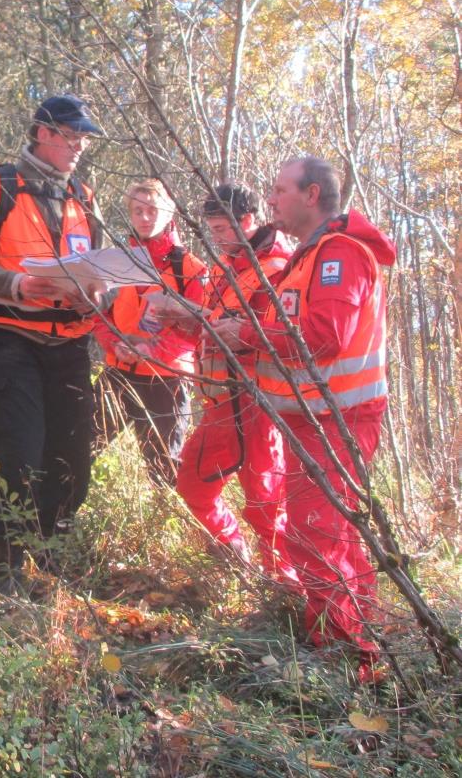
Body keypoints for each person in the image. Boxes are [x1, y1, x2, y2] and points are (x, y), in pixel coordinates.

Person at [212, 157, 394, 680]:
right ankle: (362, 635)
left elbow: (323, 337)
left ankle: (338, 658)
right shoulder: (308, 257)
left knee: (316, 533)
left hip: (338, 419)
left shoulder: (339, 255)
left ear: (312, 194)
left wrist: (245, 336)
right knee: (334, 531)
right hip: (313, 419)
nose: (270, 200)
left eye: (279, 190)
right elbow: (289, 324)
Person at [0, 94, 103, 593]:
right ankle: (7, 570)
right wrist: (16, 285)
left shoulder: (84, 195)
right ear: (43, 133)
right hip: (12, 342)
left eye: (83, 137)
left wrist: (100, 294)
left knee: (73, 460)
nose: (80, 145)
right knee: (18, 457)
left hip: (71, 346)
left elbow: (98, 266)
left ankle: (50, 557)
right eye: (71, 135)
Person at [173, 184, 301, 585]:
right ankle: (236, 553)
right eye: (211, 229)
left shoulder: (277, 269)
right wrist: (183, 319)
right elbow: (216, 328)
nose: (216, 237)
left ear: (247, 221)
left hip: (256, 405)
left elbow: (282, 338)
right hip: (220, 404)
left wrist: (218, 326)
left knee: (266, 501)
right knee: (193, 486)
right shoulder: (225, 268)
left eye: (222, 228)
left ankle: (285, 587)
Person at [92, 179, 206, 487]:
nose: (145, 217)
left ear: (169, 212)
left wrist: (153, 348)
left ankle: (169, 529)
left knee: (164, 471)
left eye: (153, 209)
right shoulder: (115, 263)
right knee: (78, 447)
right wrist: (114, 344)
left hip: (166, 380)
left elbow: (199, 330)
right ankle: (55, 523)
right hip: (118, 374)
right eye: (138, 210)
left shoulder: (191, 269)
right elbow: (98, 314)